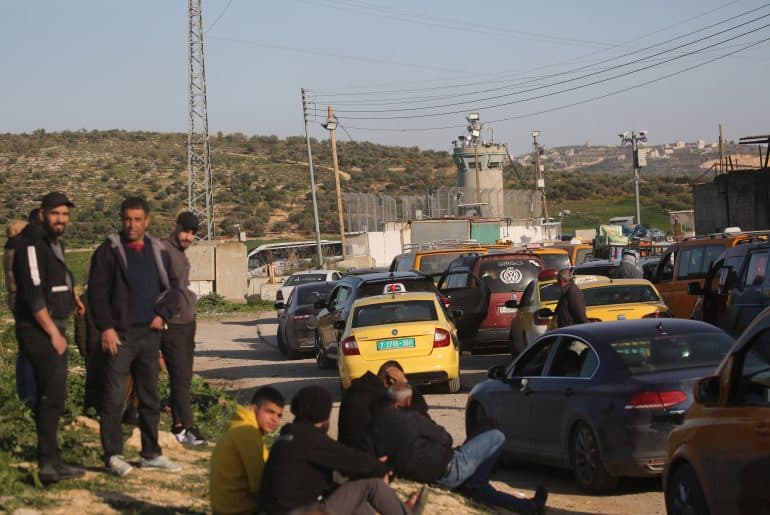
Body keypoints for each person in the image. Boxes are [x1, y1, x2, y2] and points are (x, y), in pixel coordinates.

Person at [88, 197, 181, 477]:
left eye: (137, 219)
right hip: (120, 336)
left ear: (147, 221)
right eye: (127, 219)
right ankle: (113, 455)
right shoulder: (109, 251)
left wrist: (162, 315)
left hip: (149, 335)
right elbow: (97, 292)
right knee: (114, 398)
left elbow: (174, 289)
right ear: (121, 219)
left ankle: (151, 454)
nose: (132, 224)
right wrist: (105, 327)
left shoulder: (156, 250)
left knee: (150, 398)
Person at [369, 383, 547, 515]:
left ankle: (526, 506)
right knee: (496, 435)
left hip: (428, 477)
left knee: (482, 489)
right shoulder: (410, 418)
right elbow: (446, 438)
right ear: (406, 401)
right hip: (449, 468)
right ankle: (476, 484)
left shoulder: (375, 425)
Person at [11, 193, 85, 484]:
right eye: (56, 214)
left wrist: (73, 298)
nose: (61, 219)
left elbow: (57, 281)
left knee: (54, 397)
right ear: (42, 213)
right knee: (49, 396)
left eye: (65, 214)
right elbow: (32, 291)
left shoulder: (53, 243)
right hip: (40, 330)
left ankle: (52, 460)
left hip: (54, 324)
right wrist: (53, 332)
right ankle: (47, 464)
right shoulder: (30, 243)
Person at [259, 385, 424, 515]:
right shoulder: (311, 440)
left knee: (344, 482)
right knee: (369, 482)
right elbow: (353, 460)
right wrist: (381, 468)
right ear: (323, 415)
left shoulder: (286, 438)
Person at [158, 211, 204, 445]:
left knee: (183, 378)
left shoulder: (180, 255)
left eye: (193, 233)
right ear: (175, 227)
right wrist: (161, 317)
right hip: (172, 325)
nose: (188, 237)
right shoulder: (165, 251)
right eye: (185, 230)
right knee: (179, 378)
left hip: (185, 324)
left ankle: (179, 425)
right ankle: (188, 427)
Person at [209, 386, 285, 515]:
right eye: (270, 412)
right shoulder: (247, 433)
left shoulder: (242, 427)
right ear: (254, 409)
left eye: (279, 415)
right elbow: (260, 486)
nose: (275, 420)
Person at [338, 360, 428, 450]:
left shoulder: (353, 391)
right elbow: (422, 416)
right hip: (367, 457)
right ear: (391, 380)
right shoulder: (382, 398)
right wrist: (404, 382)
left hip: (346, 453)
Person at [5, 208, 40, 410]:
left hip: (17, 303)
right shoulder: (20, 252)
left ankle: (24, 396)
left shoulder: (10, 251)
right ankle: (31, 398)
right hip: (27, 305)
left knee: (24, 352)